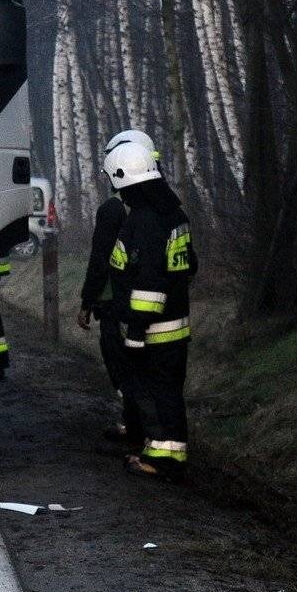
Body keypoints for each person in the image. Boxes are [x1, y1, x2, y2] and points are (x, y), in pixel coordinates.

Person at [104, 139, 197, 483]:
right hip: (176, 327)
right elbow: (189, 267)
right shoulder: (175, 214)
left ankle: (162, 459)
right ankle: (168, 452)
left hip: (153, 330)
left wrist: (137, 332)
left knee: (155, 393)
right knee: (169, 391)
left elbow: (148, 283)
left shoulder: (143, 222)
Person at [79, 129, 155, 445]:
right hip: (153, 303)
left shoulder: (113, 209)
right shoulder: (159, 207)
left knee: (119, 362)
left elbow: (101, 259)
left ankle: (138, 426)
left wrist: (87, 300)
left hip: (116, 303)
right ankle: (142, 425)